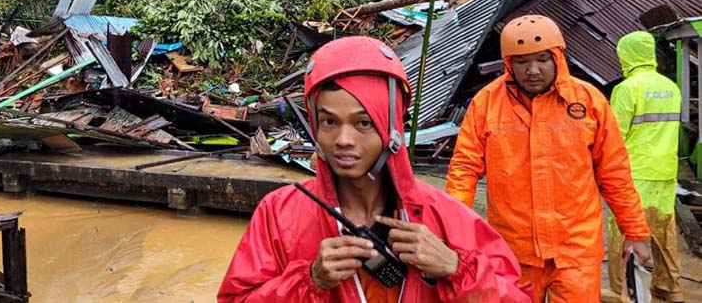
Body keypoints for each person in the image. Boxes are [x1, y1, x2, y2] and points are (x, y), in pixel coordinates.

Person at [218, 36, 532, 302]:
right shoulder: (279, 213)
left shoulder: (445, 217)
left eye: (363, 123)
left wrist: (455, 267)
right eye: (329, 122)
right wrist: (309, 281)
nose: (343, 140)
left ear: (391, 126)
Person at [446, 15, 651, 302]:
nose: (533, 70)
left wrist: (635, 232)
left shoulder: (589, 102)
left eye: (542, 59)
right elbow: (464, 170)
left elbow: (614, 173)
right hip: (512, 250)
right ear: (508, 63)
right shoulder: (486, 104)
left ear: (557, 57)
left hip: (575, 251)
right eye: (521, 61)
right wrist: (453, 232)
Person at [606, 30, 683, 302]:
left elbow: (613, 137)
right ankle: (669, 288)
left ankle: (621, 292)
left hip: (634, 174)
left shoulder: (627, 89)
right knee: (664, 233)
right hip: (665, 171)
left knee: (624, 235)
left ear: (625, 55)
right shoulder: (671, 88)